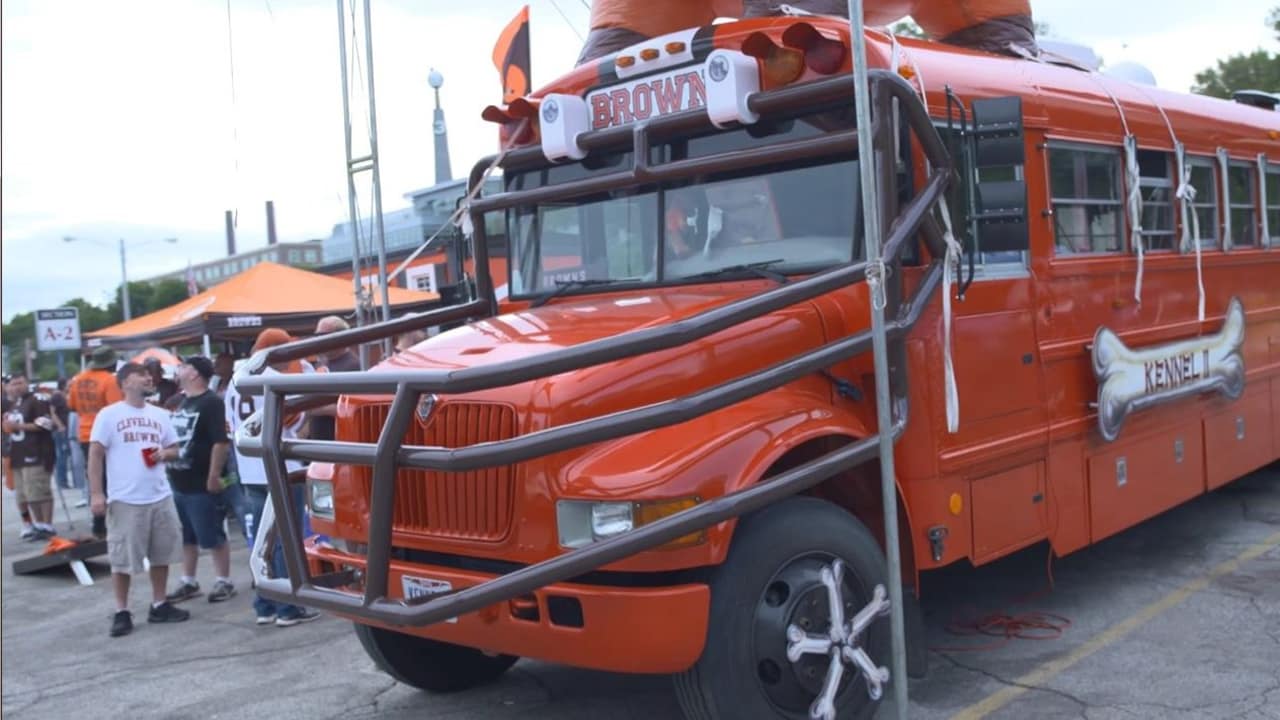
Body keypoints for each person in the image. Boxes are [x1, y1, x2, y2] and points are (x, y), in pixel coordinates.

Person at [89, 363, 191, 637]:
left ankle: (159, 604)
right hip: (125, 497)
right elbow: (96, 454)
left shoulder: (160, 414)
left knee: (162, 553)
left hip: (159, 494)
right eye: (141, 375)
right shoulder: (109, 415)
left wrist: (164, 454)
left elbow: (175, 449)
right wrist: (97, 493)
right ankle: (122, 610)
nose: (148, 378)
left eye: (149, 375)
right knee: (122, 559)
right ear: (124, 383)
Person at [226, 328, 320, 627]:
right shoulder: (273, 376)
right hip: (278, 465)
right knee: (283, 539)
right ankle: (288, 607)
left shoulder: (236, 376)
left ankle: (264, 603)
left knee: (262, 541)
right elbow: (295, 416)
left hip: (250, 467)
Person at [164, 356, 236, 604]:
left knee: (212, 532)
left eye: (184, 366)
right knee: (187, 535)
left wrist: (214, 475)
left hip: (202, 479)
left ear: (195, 374)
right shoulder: (183, 401)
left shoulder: (211, 402)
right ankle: (189, 580)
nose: (179, 370)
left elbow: (220, 441)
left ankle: (223, 580)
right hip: (179, 479)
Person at [68, 347, 125, 537]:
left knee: (94, 477)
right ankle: (108, 522)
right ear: (111, 363)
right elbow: (116, 408)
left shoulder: (78, 380)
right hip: (106, 434)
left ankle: (98, 522)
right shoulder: (110, 380)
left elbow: (73, 406)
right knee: (112, 478)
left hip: (85, 434)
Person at [4, 373, 59, 538]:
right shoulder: (14, 403)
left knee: (39, 491)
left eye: (20, 383)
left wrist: (18, 426)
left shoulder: (38, 399)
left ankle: (47, 525)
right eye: (13, 384)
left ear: (27, 383)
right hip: (18, 455)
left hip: (36, 452)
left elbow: (46, 424)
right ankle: (38, 524)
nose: (17, 387)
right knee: (26, 494)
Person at [308, 315, 360, 442]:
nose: (319, 340)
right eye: (317, 336)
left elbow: (355, 408)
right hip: (320, 441)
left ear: (340, 337)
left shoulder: (353, 365)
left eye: (323, 335)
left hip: (338, 441)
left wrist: (316, 408)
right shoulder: (322, 363)